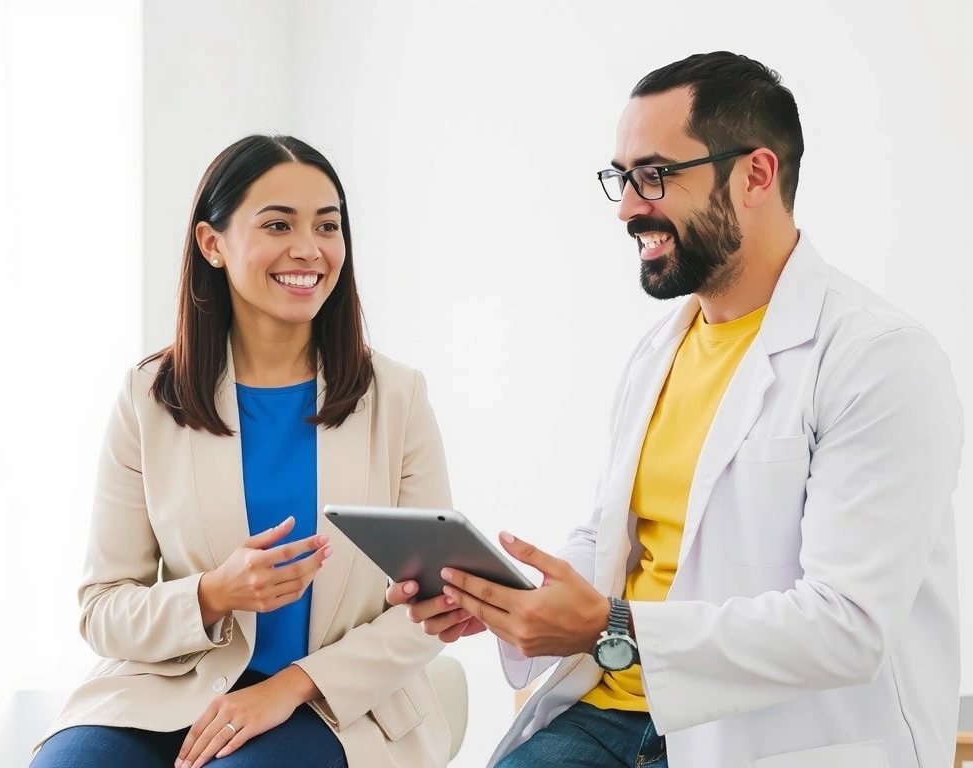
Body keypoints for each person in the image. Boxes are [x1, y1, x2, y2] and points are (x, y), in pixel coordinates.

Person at [389, 51, 965, 768]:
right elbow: (614, 538)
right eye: (622, 178)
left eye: (655, 175)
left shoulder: (878, 358)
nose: (629, 207)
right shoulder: (659, 350)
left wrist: (607, 625)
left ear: (756, 175)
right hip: (611, 713)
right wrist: (515, 603)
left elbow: (848, 626)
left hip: (772, 736)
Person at [31, 135, 454, 768]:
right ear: (212, 243)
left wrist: (288, 688)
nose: (309, 248)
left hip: (333, 700)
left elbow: (437, 602)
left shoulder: (398, 396)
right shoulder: (149, 396)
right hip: (173, 685)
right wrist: (211, 594)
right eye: (278, 224)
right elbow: (103, 609)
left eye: (327, 226)